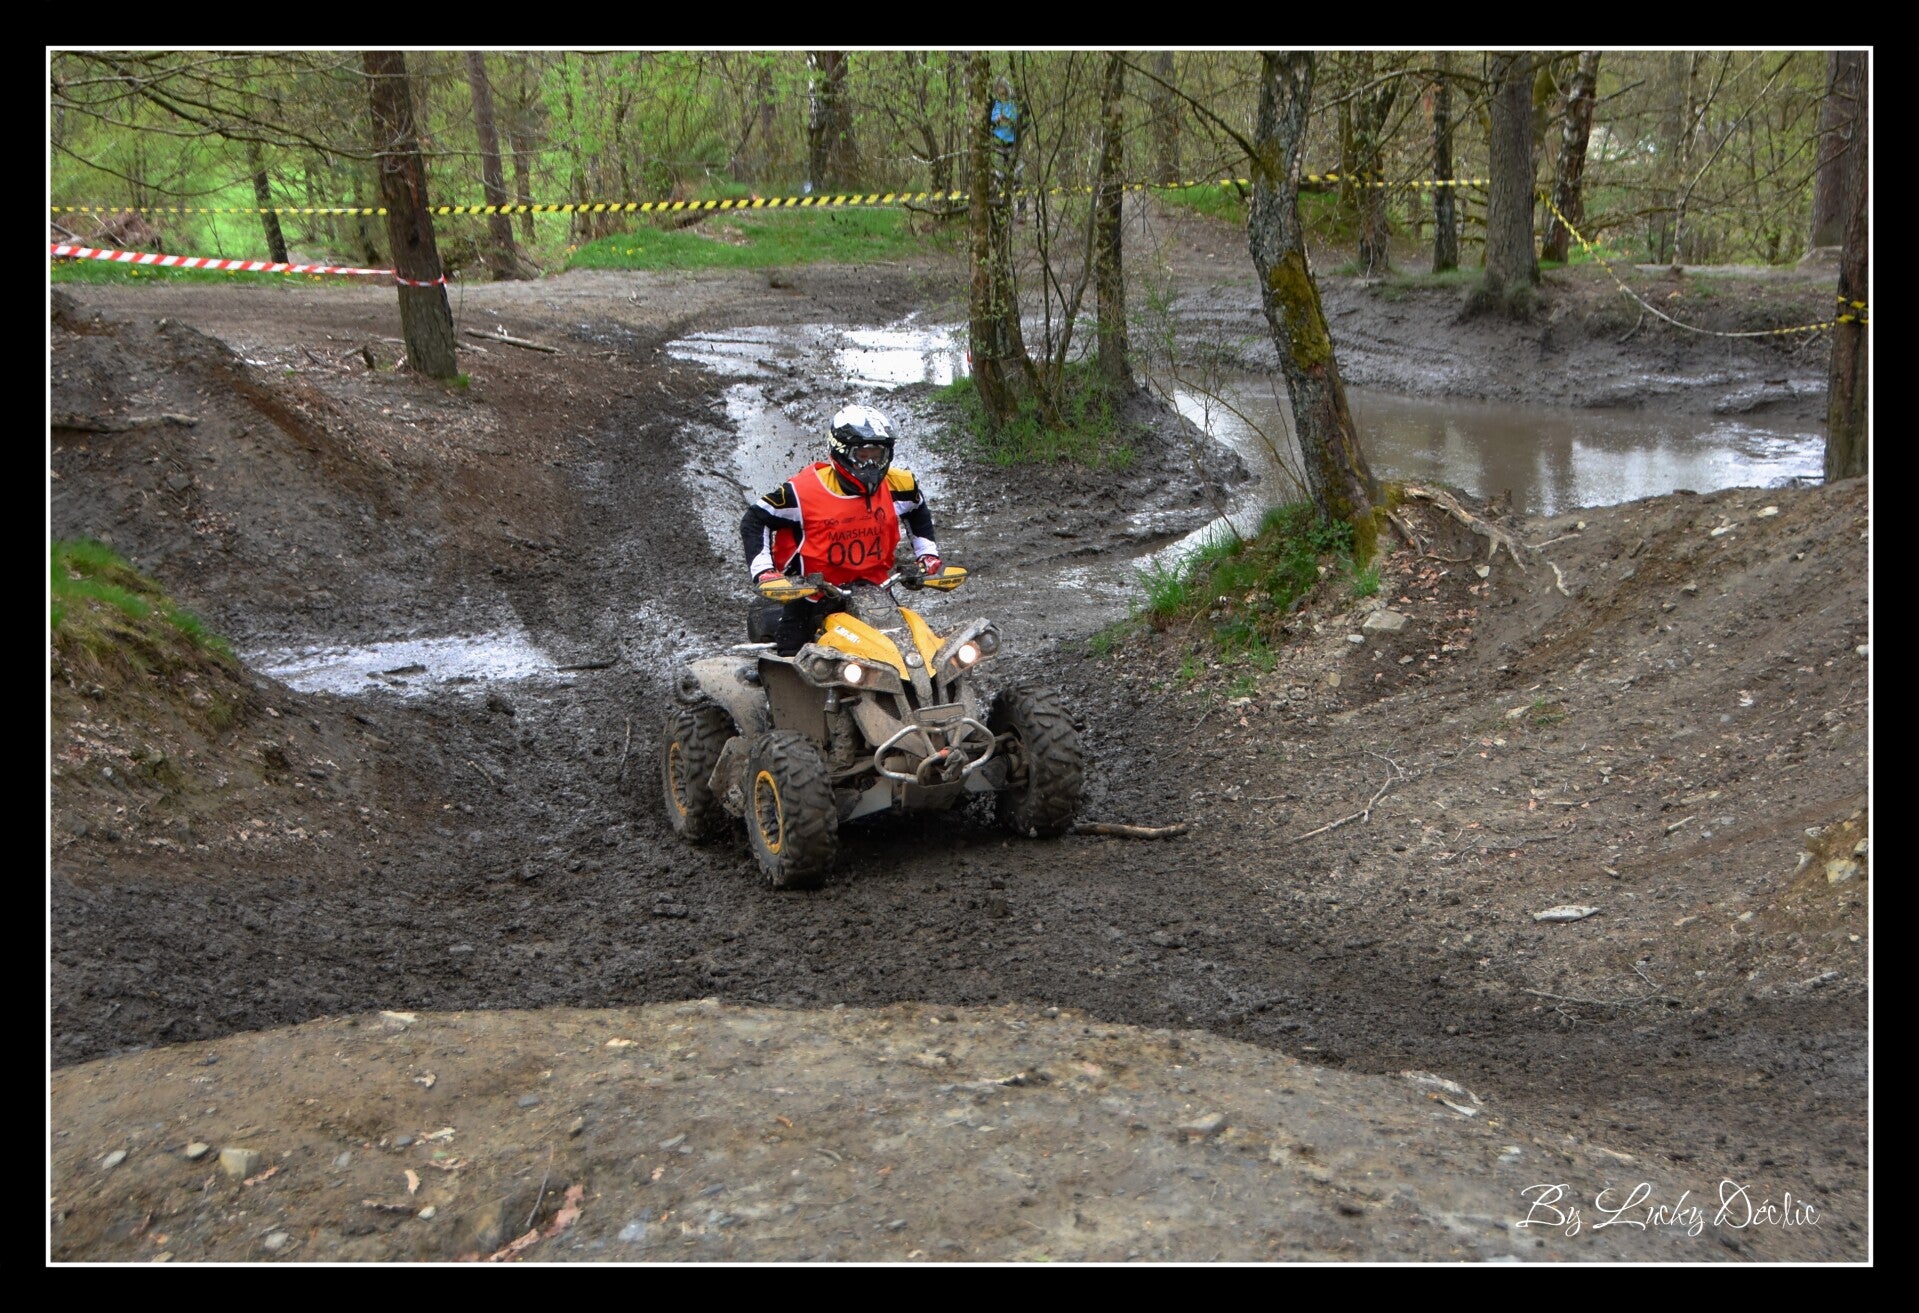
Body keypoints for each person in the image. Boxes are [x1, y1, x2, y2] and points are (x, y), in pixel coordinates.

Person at [740, 404, 942, 655]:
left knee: (905, 650)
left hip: (875, 591)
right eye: (863, 455)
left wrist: (927, 554)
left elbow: (917, 510)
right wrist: (764, 572)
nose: (871, 464)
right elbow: (755, 520)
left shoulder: (900, 484)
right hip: (813, 593)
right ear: (842, 451)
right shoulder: (803, 492)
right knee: (792, 655)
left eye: (878, 455)